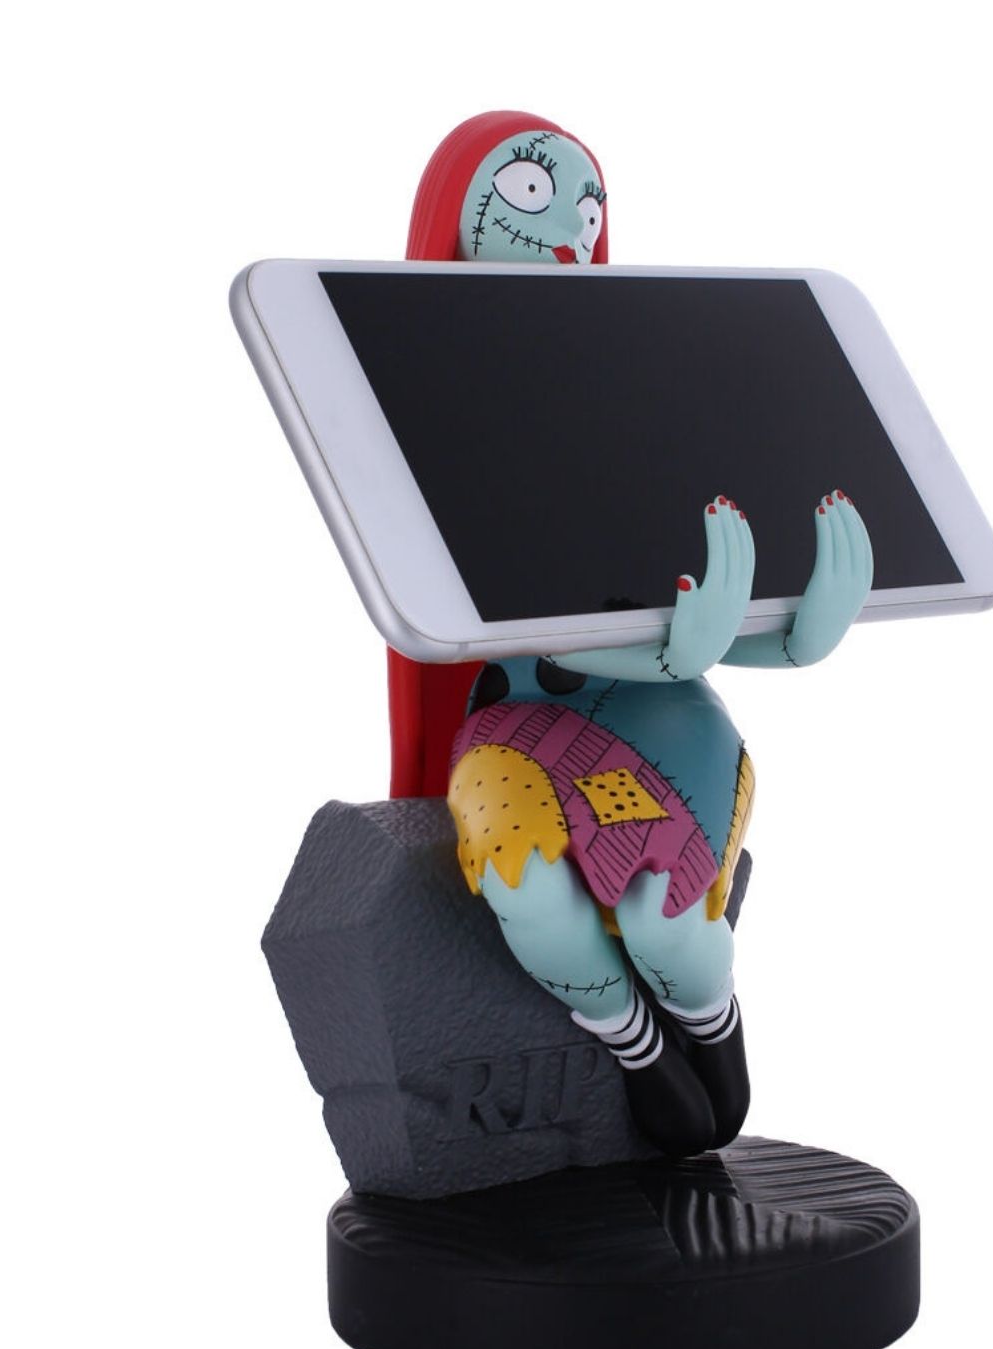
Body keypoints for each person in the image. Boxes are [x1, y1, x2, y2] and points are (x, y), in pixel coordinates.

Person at [389, 112, 874, 1155]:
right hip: (519, 721)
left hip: (659, 716)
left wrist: (791, 632)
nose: (568, 223)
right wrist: (665, 645)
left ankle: (709, 1019)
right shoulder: (433, 408)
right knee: (534, 895)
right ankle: (634, 1045)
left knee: (667, 911)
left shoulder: (642, 382)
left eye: (588, 201)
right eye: (528, 192)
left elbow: (695, 600)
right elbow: (528, 620)